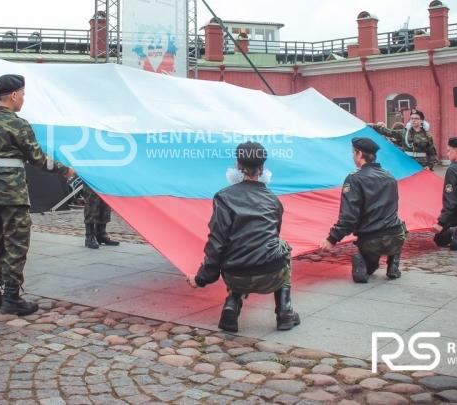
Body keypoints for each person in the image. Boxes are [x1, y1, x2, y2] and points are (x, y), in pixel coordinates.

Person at [0, 74, 75, 315]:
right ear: (13, 95)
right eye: (22, 94)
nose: (23, 99)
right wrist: (64, 169)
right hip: (12, 191)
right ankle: (11, 298)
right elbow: (37, 158)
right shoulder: (19, 124)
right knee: (16, 243)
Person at [187, 142, 300, 333]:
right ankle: (285, 312)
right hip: (272, 275)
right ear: (262, 168)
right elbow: (273, 237)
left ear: (238, 165)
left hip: (236, 276)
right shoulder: (274, 200)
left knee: (237, 247)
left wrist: (202, 278)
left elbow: (217, 242)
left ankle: (231, 307)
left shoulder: (223, 197)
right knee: (282, 247)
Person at [319, 137, 408, 283]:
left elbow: (349, 217)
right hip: (395, 236)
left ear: (359, 154)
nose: (352, 157)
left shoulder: (354, 179)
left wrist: (331, 239)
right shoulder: (390, 176)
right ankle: (393, 263)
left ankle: (365, 262)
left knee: (368, 264)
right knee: (399, 228)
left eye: (353, 153)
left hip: (370, 239)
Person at [371, 110, 437, 170]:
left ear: (422, 121)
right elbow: (388, 132)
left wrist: (429, 166)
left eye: (416, 118)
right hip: (406, 162)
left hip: (422, 164)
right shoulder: (404, 132)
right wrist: (372, 126)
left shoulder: (427, 135)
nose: (413, 120)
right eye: (411, 119)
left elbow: (432, 153)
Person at [82, 184, 119, 249]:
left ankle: (101, 235)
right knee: (92, 205)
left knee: (105, 205)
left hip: (104, 181)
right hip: (91, 180)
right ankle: (89, 236)